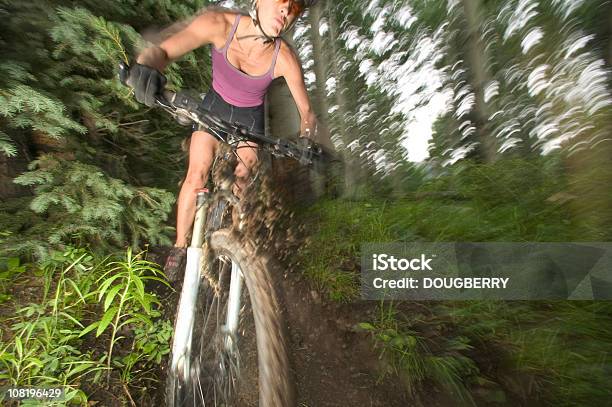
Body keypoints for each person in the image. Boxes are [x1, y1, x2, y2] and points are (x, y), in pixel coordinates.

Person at [129, 0, 319, 277]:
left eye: (294, 9)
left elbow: (307, 113)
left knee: (243, 185)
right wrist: (145, 68)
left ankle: (235, 252)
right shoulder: (219, 24)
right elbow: (161, 52)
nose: (285, 11)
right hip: (213, 108)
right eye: (281, 1)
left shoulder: (285, 58)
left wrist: (307, 141)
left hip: (250, 121)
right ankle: (180, 247)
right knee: (197, 174)